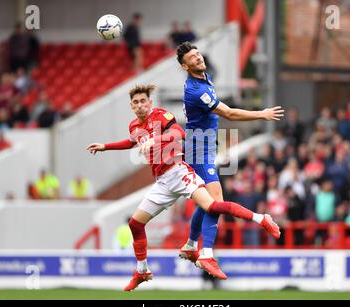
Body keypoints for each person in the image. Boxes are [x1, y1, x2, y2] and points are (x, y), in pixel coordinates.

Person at [87, 85, 280, 291]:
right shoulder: (134, 125)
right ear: (131, 106)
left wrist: (156, 139)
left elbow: (178, 133)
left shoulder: (161, 115)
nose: (141, 105)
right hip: (162, 182)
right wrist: (105, 146)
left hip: (179, 172)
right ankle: (142, 270)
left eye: (144, 101)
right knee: (135, 224)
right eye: (136, 102)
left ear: (150, 103)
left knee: (213, 207)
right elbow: (131, 141)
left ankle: (261, 218)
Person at [175, 42, 284, 278]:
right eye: (192, 58)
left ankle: (192, 245)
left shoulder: (205, 77)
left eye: (198, 54)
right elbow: (229, 113)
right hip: (198, 148)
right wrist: (261, 114)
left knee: (208, 203)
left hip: (204, 146)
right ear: (185, 66)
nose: (198, 58)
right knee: (216, 202)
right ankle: (206, 254)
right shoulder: (196, 90)